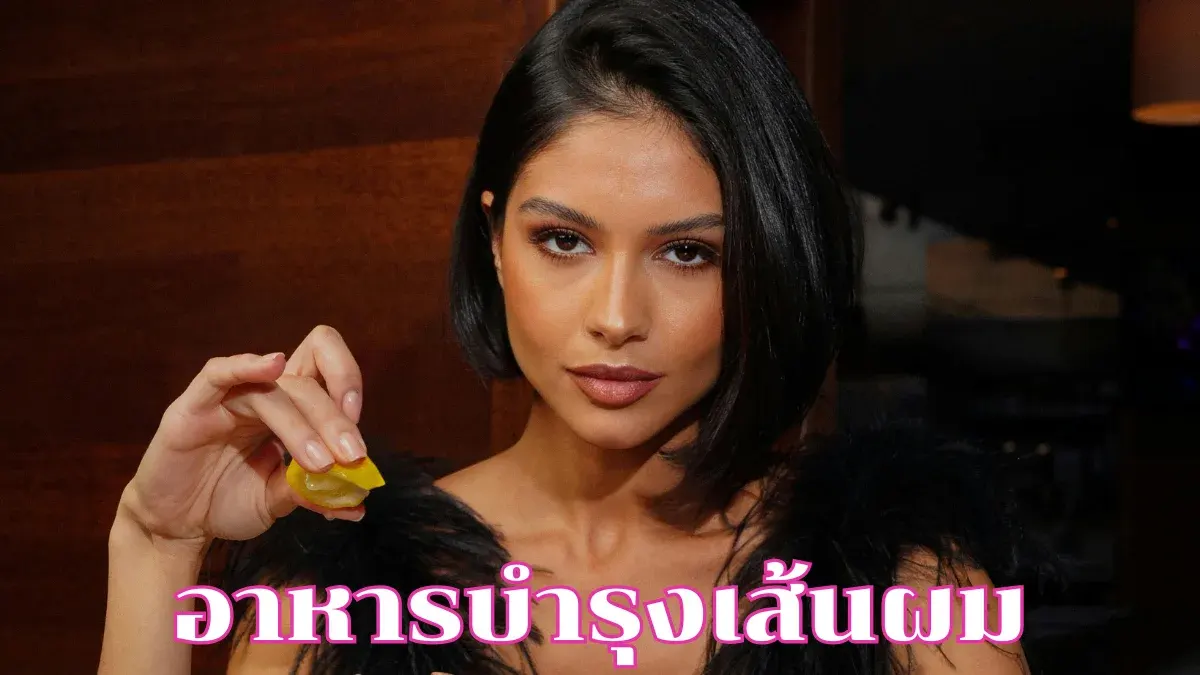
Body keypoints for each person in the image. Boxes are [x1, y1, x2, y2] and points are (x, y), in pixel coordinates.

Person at [99, 0, 1049, 673]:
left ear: (764, 265)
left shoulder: (897, 594)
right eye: (563, 239)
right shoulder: (341, 597)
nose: (617, 316)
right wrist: (156, 543)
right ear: (494, 240)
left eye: (687, 252)